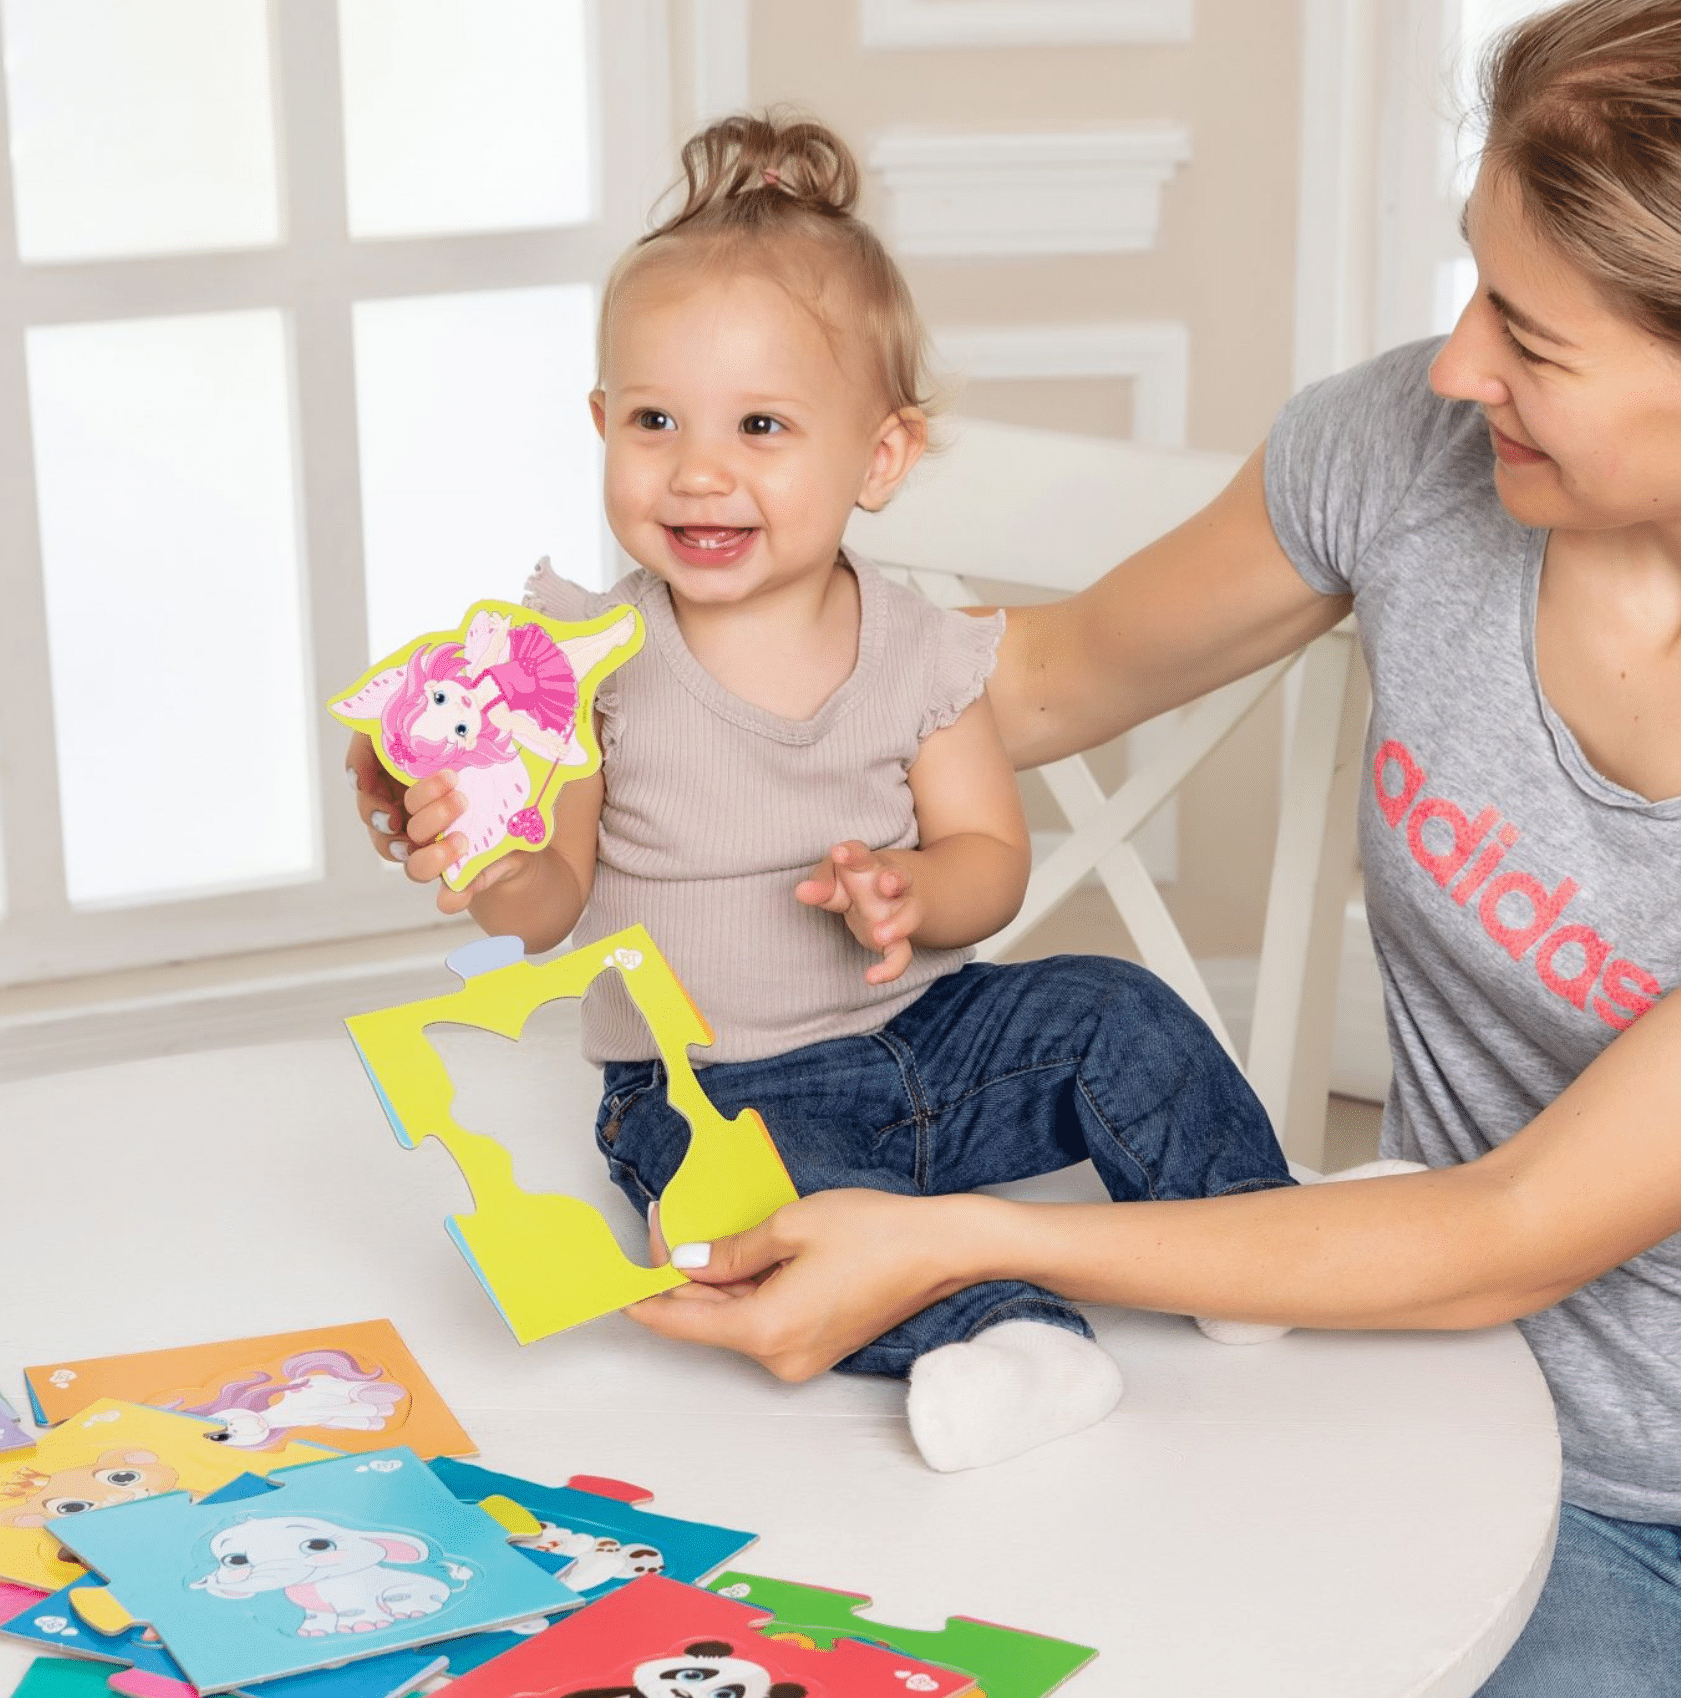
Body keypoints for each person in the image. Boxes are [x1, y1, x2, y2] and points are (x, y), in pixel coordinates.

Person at [621, 0, 1681, 1698]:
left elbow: (1505, 1231)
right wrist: (626, 689)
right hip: (1506, 1452)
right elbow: (1024, 683)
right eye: (1470, 284)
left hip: (1549, 1399)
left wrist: (971, 1242)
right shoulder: (1410, 459)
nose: (1454, 366)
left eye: (1530, 334)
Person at [351, 112, 1295, 1474]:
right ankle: (1008, 1341)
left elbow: (990, 861)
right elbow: (549, 905)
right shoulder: (587, 661)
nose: (699, 469)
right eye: (655, 420)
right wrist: (491, 863)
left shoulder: (924, 650)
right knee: (764, 1208)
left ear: (880, 458)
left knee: (1114, 1007)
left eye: (763, 427)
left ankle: (1246, 1241)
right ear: (602, 425)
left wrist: (913, 888)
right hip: (712, 1088)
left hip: (925, 1036)